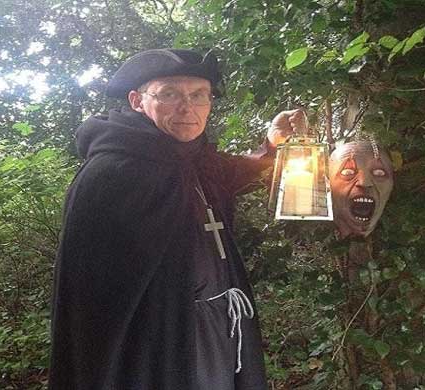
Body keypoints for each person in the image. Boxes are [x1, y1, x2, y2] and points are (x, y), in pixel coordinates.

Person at [48, 48, 301, 389]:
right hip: (158, 339)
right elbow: (93, 300)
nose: (188, 108)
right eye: (170, 94)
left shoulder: (193, 159)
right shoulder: (111, 174)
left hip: (221, 324)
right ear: (138, 101)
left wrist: (271, 146)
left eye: (199, 96)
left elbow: (231, 171)